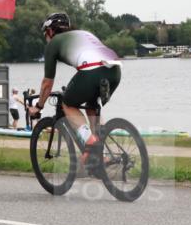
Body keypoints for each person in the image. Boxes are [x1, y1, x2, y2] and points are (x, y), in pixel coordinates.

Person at [27, 13, 121, 166]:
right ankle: (102, 156)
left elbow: (47, 82)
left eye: (46, 34)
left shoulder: (54, 43)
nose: (46, 37)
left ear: (50, 31)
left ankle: (90, 143)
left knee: (68, 104)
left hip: (92, 70)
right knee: (92, 106)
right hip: (115, 70)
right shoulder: (84, 33)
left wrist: (38, 106)